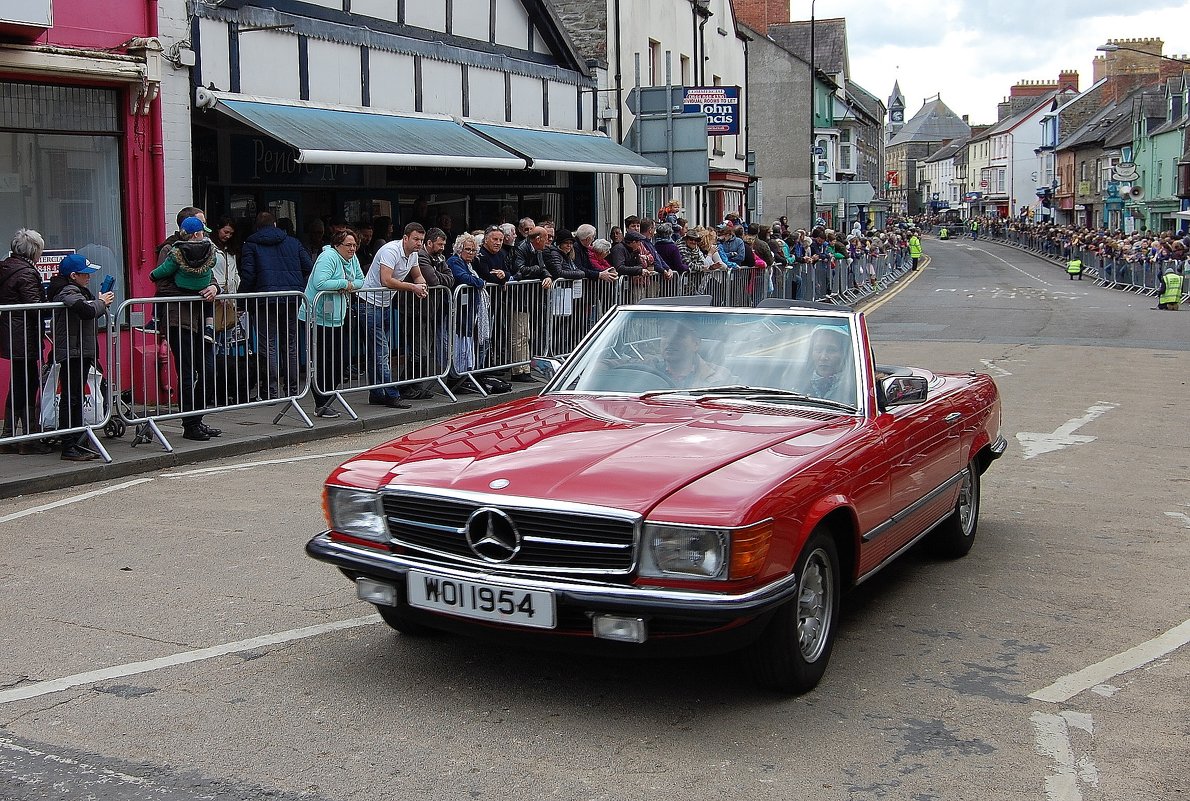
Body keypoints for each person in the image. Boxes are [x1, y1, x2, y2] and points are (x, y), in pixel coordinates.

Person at [151, 216, 222, 441]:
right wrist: (194, 294)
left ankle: (197, 418)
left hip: (202, 319)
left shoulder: (205, 249)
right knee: (187, 371)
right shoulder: (170, 250)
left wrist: (213, 287)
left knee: (209, 370)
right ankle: (190, 423)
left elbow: (212, 278)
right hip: (177, 318)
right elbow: (161, 286)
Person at [240, 211, 314, 400]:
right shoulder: (293, 242)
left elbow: (248, 275)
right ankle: (292, 390)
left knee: (268, 345)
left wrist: (241, 299)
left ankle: (271, 391)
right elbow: (308, 267)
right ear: (274, 225)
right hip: (291, 298)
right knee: (290, 344)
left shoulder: (251, 244)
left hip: (264, 300)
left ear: (257, 226)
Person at [47, 255, 115, 460]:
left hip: (79, 350)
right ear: (73, 275)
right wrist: (101, 303)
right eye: (85, 274)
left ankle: (77, 441)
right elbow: (85, 311)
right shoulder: (67, 291)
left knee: (75, 396)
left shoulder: (74, 289)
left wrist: (98, 303)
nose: (89, 278)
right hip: (72, 351)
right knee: (72, 397)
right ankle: (70, 445)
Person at [358, 222, 428, 408]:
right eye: (415, 239)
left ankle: (376, 393)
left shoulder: (413, 255)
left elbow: (418, 275)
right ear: (405, 238)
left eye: (421, 240)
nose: (419, 243)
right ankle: (391, 394)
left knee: (377, 352)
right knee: (382, 352)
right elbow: (386, 280)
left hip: (385, 304)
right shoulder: (391, 250)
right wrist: (413, 287)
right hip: (370, 303)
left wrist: (422, 286)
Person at [299, 229, 365, 417]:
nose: (352, 249)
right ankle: (321, 403)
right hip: (317, 317)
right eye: (348, 245)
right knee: (322, 361)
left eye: (354, 245)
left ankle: (326, 398)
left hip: (337, 317)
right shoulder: (328, 257)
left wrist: (350, 284)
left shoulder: (352, 259)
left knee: (340, 361)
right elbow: (320, 283)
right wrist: (344, 284)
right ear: (337, 245)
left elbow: (361, 280)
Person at [0, 228, 53, 454]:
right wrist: (48, 305)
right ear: (34, 251)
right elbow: (35, 307)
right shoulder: (26, 273)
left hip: (10, 333)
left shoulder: (6, 267)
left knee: (18, 384)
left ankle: (10, 434)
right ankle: (28, 438)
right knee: (28, 384)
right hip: (24, 335)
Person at [648, 323, 732, 386]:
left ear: (696, 344)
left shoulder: (720, 377)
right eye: (665, 335)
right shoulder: (646, 372)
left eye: (678, 336)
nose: (669, 341)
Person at [802, 326, 853, 404]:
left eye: (831, 350)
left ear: (845, 354)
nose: (823, 357)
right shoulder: (797, 382)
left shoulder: (857, 388)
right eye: (818, 350)